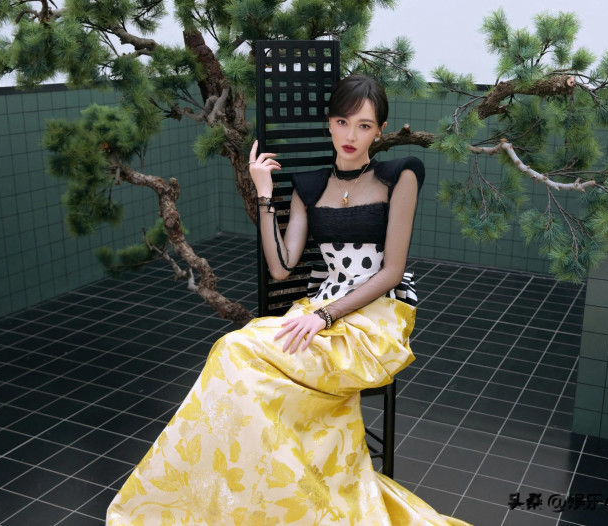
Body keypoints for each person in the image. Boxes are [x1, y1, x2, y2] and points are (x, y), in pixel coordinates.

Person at [106, 75, 472, 525]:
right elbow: (282, 266)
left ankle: (295, 495)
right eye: (342, 122)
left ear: (379, 130)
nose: (351, 135)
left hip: (373, 315)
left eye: (364, 125)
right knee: (231, 350)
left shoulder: (400, 175)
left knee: (243, 362)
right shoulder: (310, 184)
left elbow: (392, 271)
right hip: (319, 308)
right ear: (329, 123)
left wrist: (325, 316)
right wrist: (264, 192)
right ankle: (237, 500)